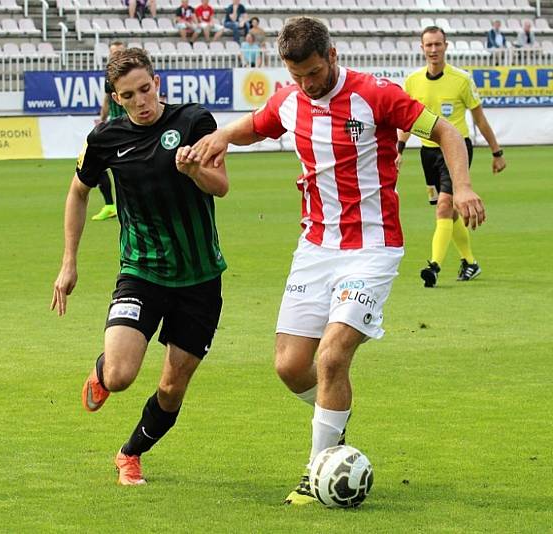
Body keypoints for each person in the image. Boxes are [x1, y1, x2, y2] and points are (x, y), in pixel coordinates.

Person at [184, 17, 485, 505]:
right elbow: (256, 126)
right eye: (297, 76)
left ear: (334, 54)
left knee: (331, 356)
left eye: (314, 74)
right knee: (289, 366)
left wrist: (465, 185)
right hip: (315, 247)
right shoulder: (289, 100)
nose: (307, 85)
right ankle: (334, 422)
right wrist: (217, 139)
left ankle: (316, 469)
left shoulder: (377, 95)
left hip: (372, 248)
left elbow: (448, 133)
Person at [51, 47, 229, 486]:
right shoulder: (104, 139)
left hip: (200, 278)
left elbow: (220, 186)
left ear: (158, 81)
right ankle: (103, 367)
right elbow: (78, 192)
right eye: (128, 96)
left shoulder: (194, 122)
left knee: (171, 388)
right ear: (115, 97)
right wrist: (68, 263)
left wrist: (194, 172)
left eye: (145, 89)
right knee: (119, 375)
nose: (141, 102)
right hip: (141, 271)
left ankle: (130, 453)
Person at [398, 26, 505, 287]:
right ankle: (470, 262)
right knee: (450, 210)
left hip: (456, 150)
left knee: (445, 205)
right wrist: (398, 149)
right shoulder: (412, 81)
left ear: (446, 46)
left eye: (438, 44)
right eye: (429, 45)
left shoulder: (461, 79)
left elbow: (479, 118)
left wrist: (496, 151)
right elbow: (406, 121)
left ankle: (433, 267)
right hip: (428, 152)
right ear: (421, 48)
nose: (433, 50)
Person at [91, 40, 127, 222]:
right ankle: (110, 205)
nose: (115, 55)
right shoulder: (110, 75)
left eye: (119, 52)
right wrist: (102, 120)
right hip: (114, 126)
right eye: (113, 53)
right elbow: (107, 99)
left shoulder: (130, 74)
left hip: (128, 126)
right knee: (97, 164)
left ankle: (118, 205)